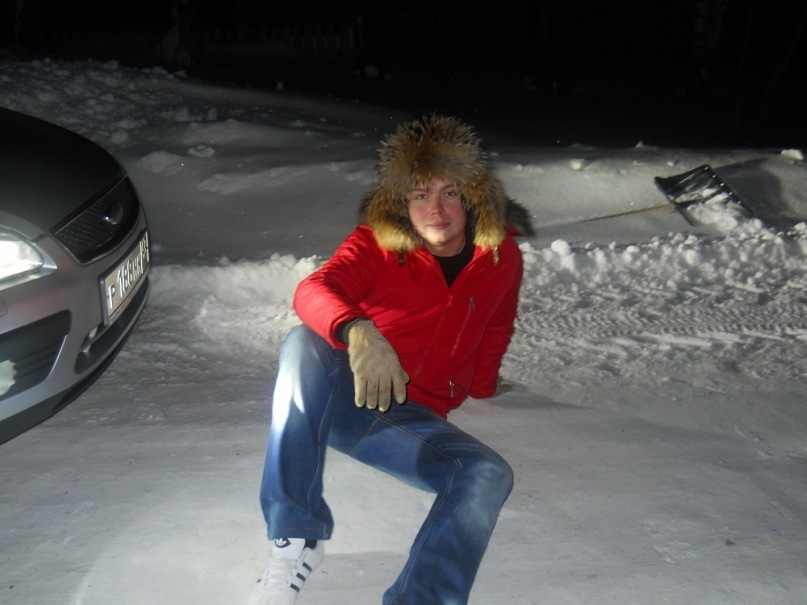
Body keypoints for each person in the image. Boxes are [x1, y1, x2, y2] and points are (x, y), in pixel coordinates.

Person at [248, 114, 528, 605]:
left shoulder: (500, 257)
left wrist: (484, 387)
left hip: (409, 420)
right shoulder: (377, 243)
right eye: (420, 194)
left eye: (448, 192)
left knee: (488, 473)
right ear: (401, 201)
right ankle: (296, 537)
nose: (435, 209)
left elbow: (495, 326)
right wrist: (359, 332)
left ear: (471, 196)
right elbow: (315, 288)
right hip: (345, 394)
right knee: (303, 343)